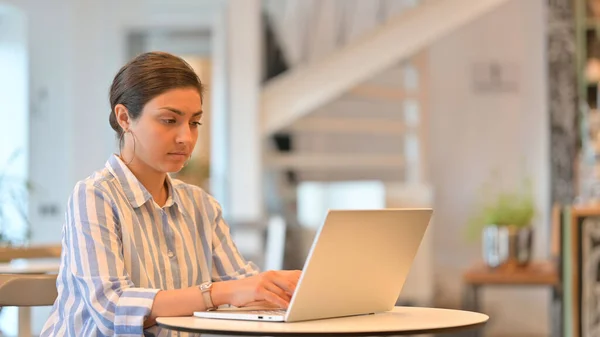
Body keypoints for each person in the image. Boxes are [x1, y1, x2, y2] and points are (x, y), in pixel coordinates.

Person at [41, 51, 301, 336]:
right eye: (169, 120)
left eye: (194, 123)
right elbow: (112, 308)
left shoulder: (201, 205)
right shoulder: (93, 196)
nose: (186, 138)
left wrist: (285, 289)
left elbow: (243, 287)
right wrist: (218, 293)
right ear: (124, 117)